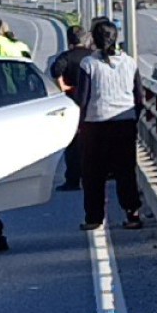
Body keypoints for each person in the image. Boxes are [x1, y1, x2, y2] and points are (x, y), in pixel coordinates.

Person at [73, 17, 149, 232]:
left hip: (95, 125)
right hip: (125, 125)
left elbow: (83, 99)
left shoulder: (89, 64)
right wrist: (134, 118)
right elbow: (140, 97)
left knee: (93, 174)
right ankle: (133, 214)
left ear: (94, 40)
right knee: (125, 171)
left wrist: (78, 124)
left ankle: (94, 218)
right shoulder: (130, 62)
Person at [49, 25, 96, 192]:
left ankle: (73, 180)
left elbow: (55, 71)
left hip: (72, 102)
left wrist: (63, 85)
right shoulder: (93, 56)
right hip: (92, 102)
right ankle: (94, 177)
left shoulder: (66, 57)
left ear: (69, 40)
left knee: (74, 144)